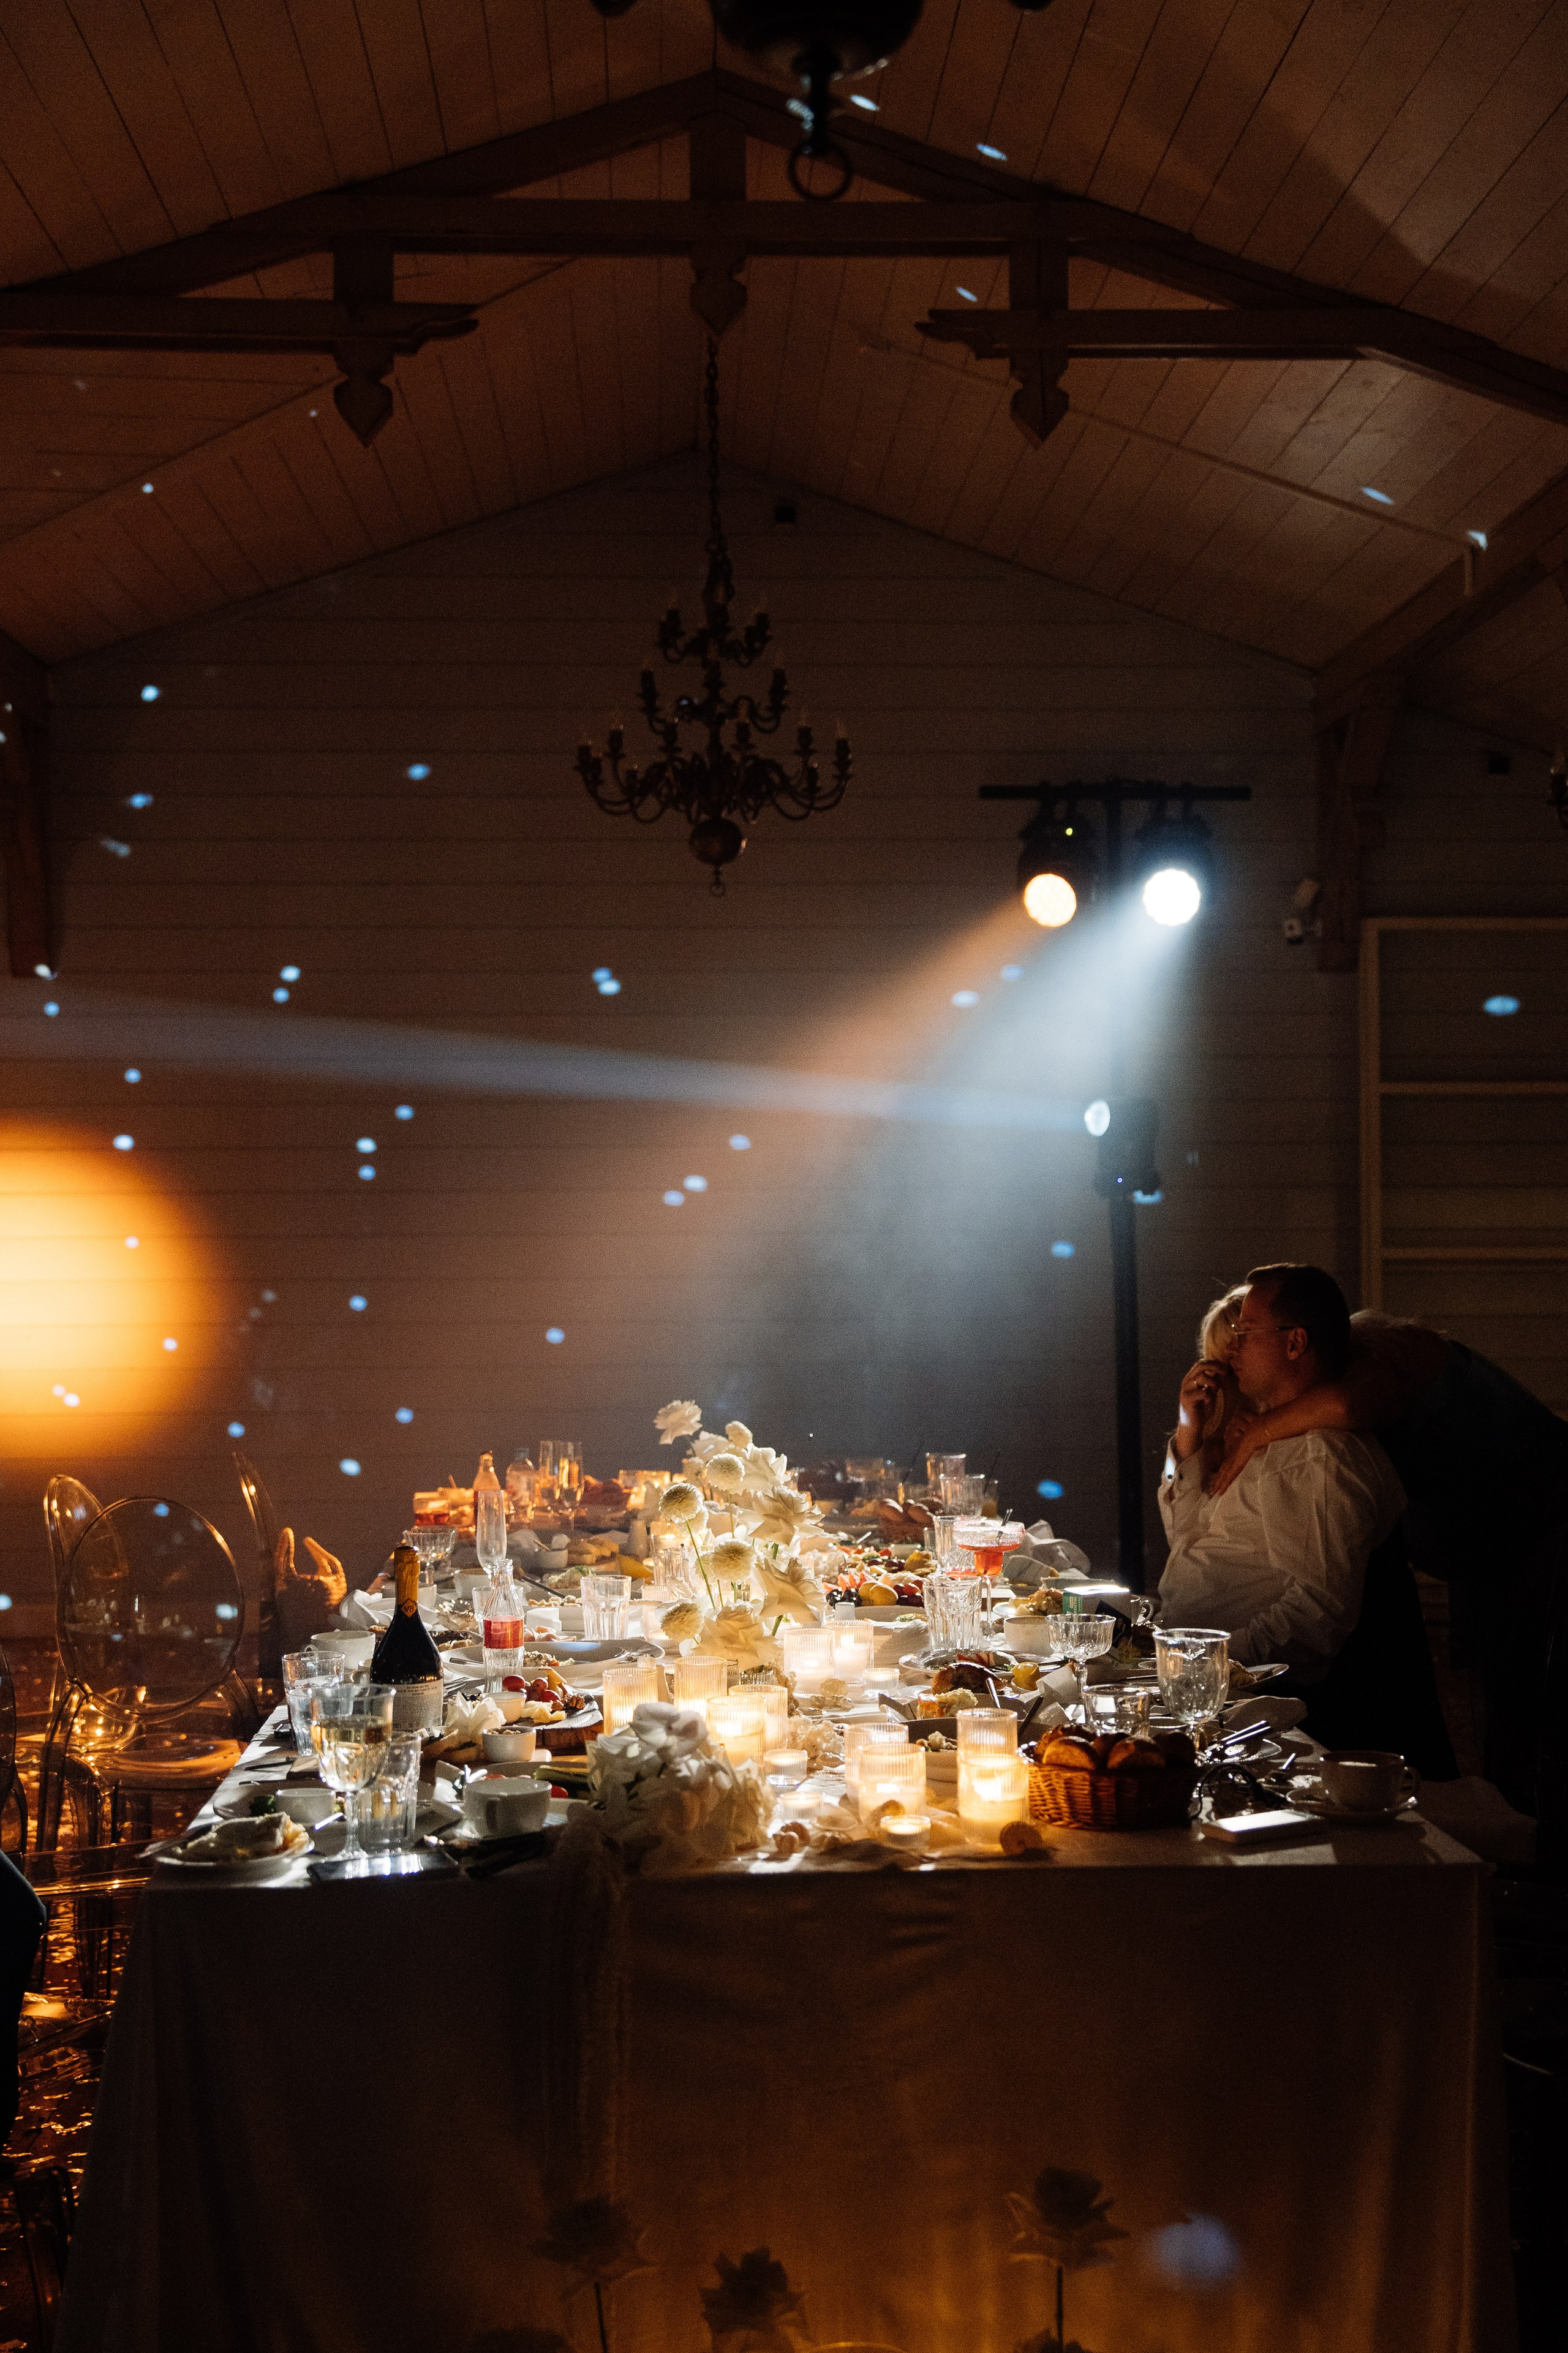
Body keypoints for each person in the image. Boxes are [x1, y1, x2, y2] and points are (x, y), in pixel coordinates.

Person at [1208, 1299, 1568, 1808]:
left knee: (1538, 1711)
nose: (1239, 1362)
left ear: (1296, 1342)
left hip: (1549, 1528)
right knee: (1506, 1712)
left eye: (1248, 1338)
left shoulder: (1377, 1356)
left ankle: (1536, 1840)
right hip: (1494, 1550)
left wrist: (1259, 1433)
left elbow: (1346, 1405)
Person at [1161, 1264, 1457, 1774]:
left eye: (1246, 1332)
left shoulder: (1321, 1455)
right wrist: (1188, 1430)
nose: (1232, 1349)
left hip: (1250, 1701)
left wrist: (1216, 1661)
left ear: (1295, 1342)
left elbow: (1319, 1612)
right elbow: (1188, 1538)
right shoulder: (1264, 1437)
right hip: (1194, 1675)